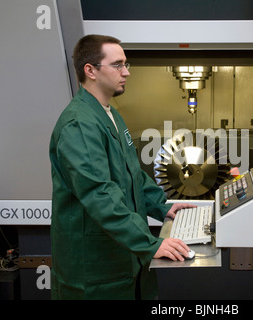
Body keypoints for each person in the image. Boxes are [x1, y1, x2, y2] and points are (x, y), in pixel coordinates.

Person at [49, 34, 196, 300]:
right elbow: (99, 194)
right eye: (117, 65)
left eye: (126, 64)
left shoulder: (109, 114)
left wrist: (162, 206)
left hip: (123, 256)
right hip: (94, 267)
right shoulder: (79, 124)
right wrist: (151, 244)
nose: (126, 72)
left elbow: (132, 173)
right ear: (90, 70)